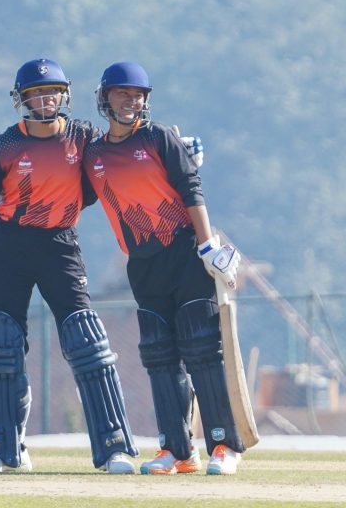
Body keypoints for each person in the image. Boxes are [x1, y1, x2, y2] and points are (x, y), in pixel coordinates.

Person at [0, 59, 138, 474]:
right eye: (37, 94)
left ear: (65, 95)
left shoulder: (83, 137)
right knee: (3, 345)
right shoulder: (7, 145)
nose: (46, 100)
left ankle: (114, 448)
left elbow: (114, 167)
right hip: (9, 247)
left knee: (86, 341)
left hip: (60, 246)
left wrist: (173, 151)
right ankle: (4, 449)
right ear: (22, 100)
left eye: (52, 92)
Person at [81, 61, 246, 475]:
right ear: (104, 98)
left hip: (185, 252)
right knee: (159, 355)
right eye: (122, 93)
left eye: (138, 95)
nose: (131, 101)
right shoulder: (94, 155)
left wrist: (208, 246)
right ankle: (177, 449)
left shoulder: (159, 138)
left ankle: (225, 445)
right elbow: (71, 191)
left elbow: (192, 190)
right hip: (142, 264)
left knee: (202, 348)